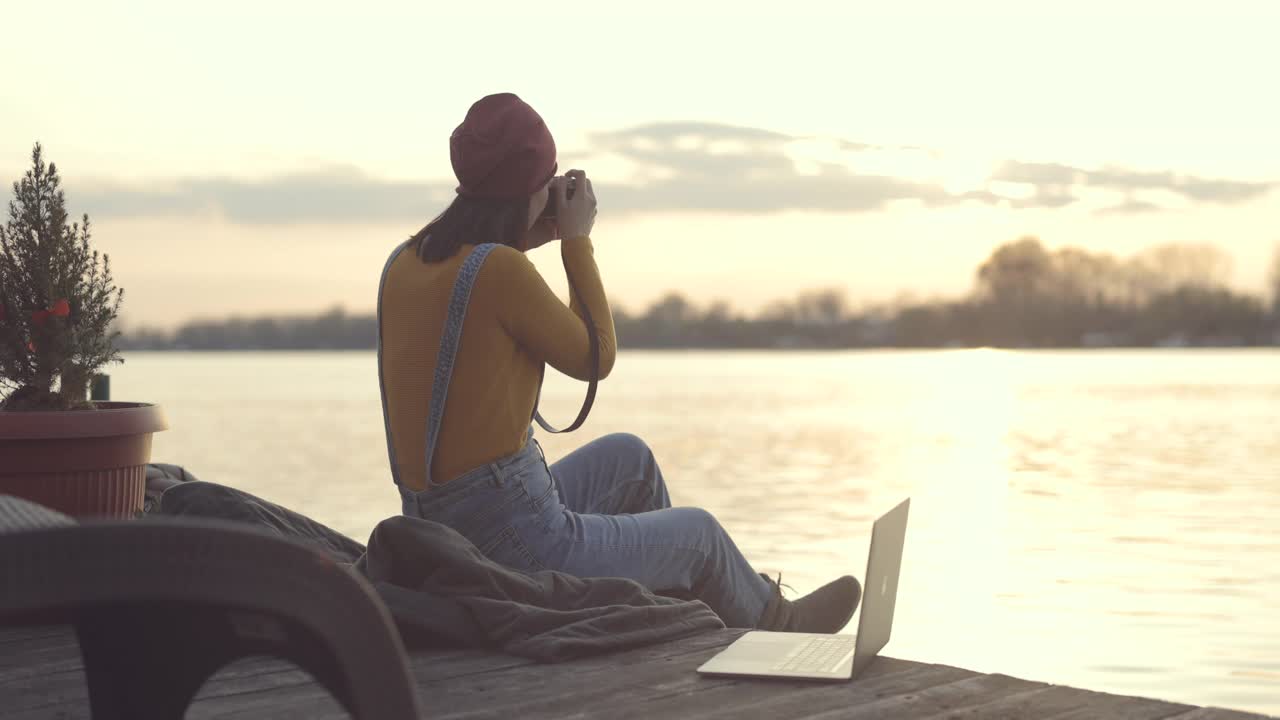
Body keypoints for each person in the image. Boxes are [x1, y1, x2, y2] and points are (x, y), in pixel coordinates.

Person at [376, 93, 860, 632]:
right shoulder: (500, 272)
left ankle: (668, 616)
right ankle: (778, 625)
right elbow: (595, 357)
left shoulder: (406, 263)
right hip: (512, 539)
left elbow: (486, 306)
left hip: (437, 529)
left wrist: (537, 230)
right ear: (531, 187)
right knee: (699, 535)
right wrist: (576, 242)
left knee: (630, 459)